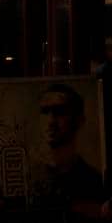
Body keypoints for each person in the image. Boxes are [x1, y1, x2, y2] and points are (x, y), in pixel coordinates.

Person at [28, 82, 104, 212]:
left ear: (79, 120)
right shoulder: (31, 177)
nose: (51, 120)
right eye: (45, 112)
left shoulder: (92, 181)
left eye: (60, 112)